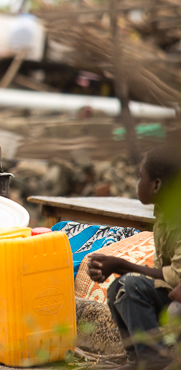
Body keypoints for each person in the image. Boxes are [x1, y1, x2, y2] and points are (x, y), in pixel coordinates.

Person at [87, 146, 181, 370]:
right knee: (119, 288)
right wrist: (119, 270)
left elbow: (176, 275)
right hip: (175, 291)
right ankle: (138, 360)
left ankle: (155, 361)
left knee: (132, 285)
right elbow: (163, 272)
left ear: (156, 184)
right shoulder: (163, 214)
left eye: (140, 177)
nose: (137, 183)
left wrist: (123, 265)